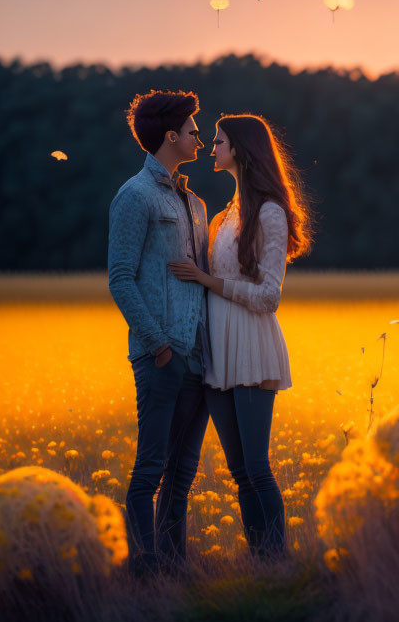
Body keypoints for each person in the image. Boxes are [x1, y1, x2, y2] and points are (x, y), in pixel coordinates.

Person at [169, 114, 312, 560]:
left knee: (256, 467)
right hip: (219, 350)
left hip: (250, 345)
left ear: (243, 150)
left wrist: (207, 282)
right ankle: (261, 563)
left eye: (220, 141)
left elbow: (270, 296)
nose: (212, 147)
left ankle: (277, 562)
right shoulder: (228, 212)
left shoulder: (269, 211)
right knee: (239, 472)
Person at [108, 90, 211, 579]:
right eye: (193, 129)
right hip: (162, 355)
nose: (200, 135)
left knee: (183, 472)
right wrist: (161, 346)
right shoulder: (135, 196)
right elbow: (121, 278)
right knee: (150, 469)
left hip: (197, 357)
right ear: (171, 136)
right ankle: (143, 572)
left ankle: (175, 567)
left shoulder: (195, 203)